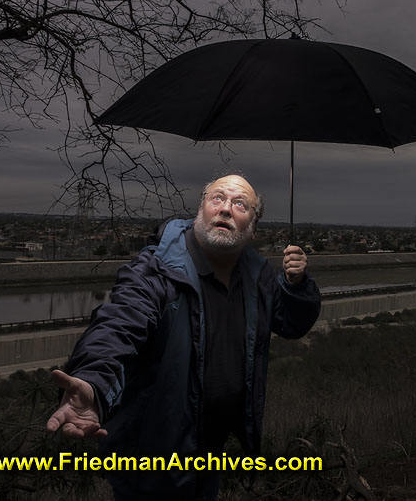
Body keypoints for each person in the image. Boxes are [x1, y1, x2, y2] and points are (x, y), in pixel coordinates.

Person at [45, 173, 321, 500]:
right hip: (152, 454)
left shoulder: (258, 276)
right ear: (200, 210)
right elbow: (119, 325)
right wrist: (94, 382)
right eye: (216, 198)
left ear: (253, 227)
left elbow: (290, 324)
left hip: (210, 449)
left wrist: (297, 284)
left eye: (240, 204)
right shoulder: (157, 269)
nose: (226, 209)